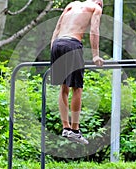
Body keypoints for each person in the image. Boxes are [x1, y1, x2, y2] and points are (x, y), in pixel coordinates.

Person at [50, 0, 104, 144]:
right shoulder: (95, 8)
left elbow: (57, 29)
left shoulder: (71, 5)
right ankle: (75, 130)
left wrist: (53, 53)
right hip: (72, 45)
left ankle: (65, 127)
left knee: (64, 87)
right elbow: (94, 31)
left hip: (57, 44)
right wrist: (95, 55)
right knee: (77, 88)